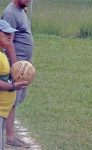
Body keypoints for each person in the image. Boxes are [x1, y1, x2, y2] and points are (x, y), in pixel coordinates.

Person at [1, 0, 34, 148]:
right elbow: (7, 41)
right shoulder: (10, 13)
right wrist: (15, 68)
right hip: (14, 67)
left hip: (21, 67)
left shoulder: (20, 10)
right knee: (9, 102)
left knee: (14, 101)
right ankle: (9, 136)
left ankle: (9, 135)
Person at [0, 19, 28, 150]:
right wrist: (13, 87)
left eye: (11, 34)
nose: (10, 37)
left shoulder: (2, 53)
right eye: (6, 34)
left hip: (3, 112)